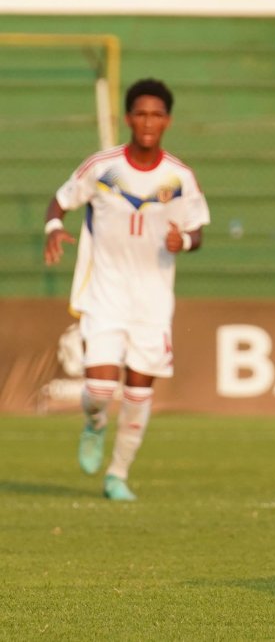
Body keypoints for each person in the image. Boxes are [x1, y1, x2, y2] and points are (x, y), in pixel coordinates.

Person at [43, 78, 209, 501]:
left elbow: (197, 232)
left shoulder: (180, 176)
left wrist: (184, 242)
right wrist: (54, 226)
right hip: (105, 293)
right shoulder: (102, 167)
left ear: (167, 120)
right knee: (99, 389)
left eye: (156, 114)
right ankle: (95, 423)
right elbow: (61, 199)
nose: (148, 121)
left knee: (138, 391)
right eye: (140, 113)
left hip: (152, 301)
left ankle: (117, 475)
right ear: (127, 118)